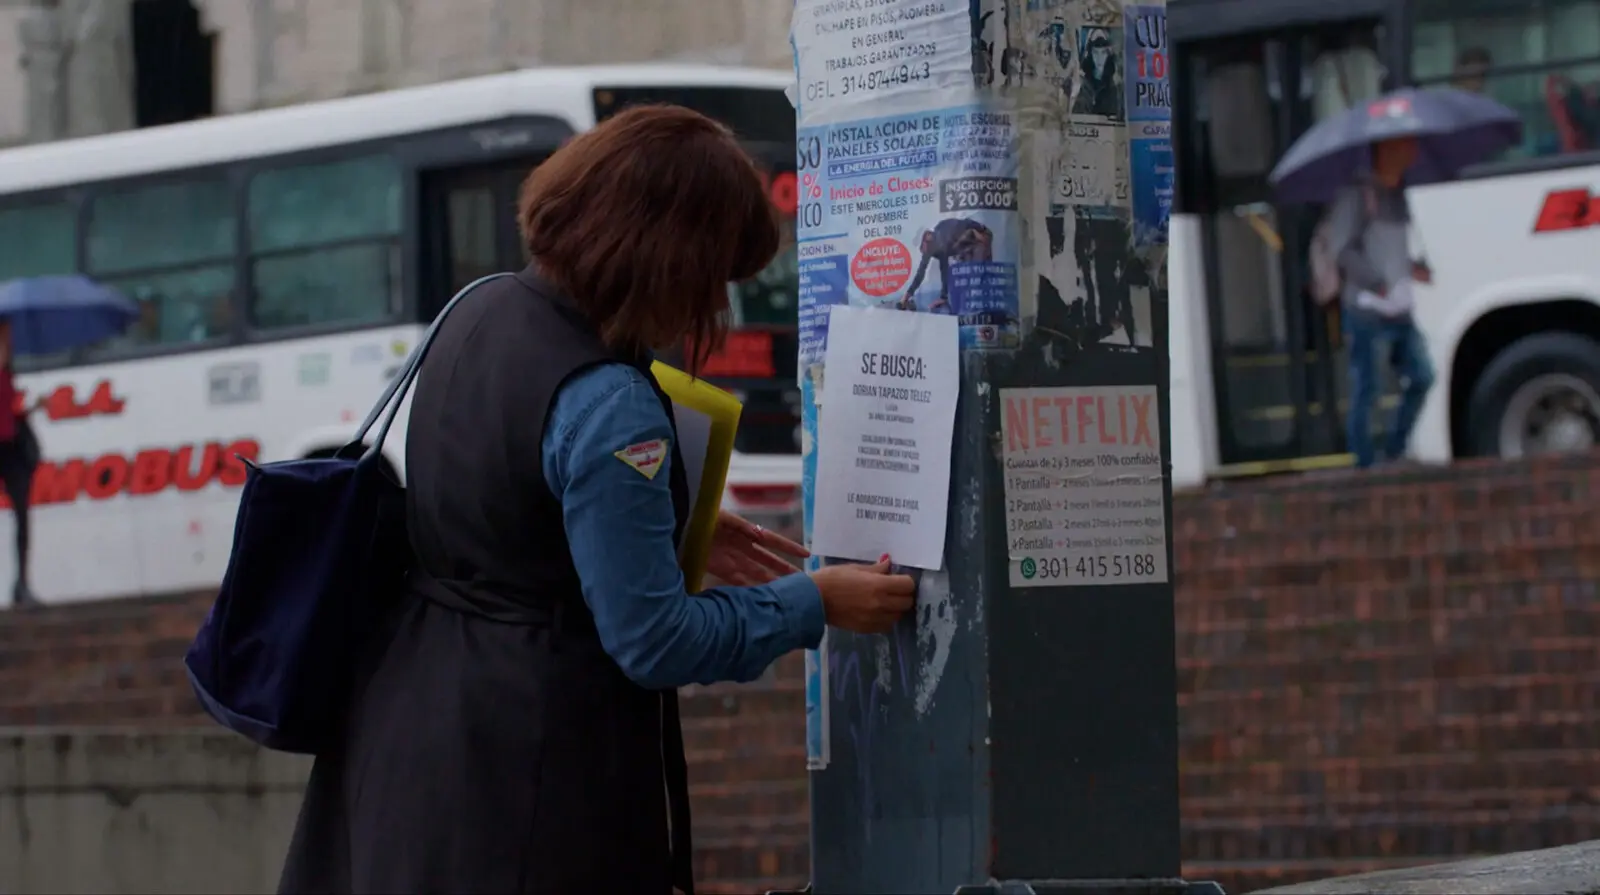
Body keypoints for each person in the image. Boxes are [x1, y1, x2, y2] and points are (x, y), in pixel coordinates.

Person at [277, 105, 917, 895]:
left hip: (405, 734)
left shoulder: (475, 308)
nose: (709, 308)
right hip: (527, 775)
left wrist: (655, 524)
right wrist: (814, 602)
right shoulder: (608, 400)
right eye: (713, 275)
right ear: (667, 257)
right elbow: (656, 640)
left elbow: (496, 505)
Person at [1325, 135, 1436, 468]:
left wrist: (1415, 268)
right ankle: (1365, 462)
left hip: (1399, 309)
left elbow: (1393, 250)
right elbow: (1342, 249)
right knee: (1367, 388)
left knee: (1422, 377)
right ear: (1385, 151)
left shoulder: (1398, 193)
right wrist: (1377, 282)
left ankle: (1394, 449)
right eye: (1405, 146)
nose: (1414, 152)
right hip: (1367, 309)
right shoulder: (1358, 194)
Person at [0, 321, 39, 608]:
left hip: (12, 449)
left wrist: (32, 409)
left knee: (23, 516)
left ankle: (22, 584)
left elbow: (10, 414)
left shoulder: (7, 374)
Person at [894, 217, 993, 311]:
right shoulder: (932, 247)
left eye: (923, 245)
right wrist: (906, 296)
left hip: (979, 234)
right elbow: (922, 272)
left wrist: (981, 230)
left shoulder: (946, 231)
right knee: (962, 267)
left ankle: (986, 302)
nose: (925, 252)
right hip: (967, 244)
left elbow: (967, 223)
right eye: (922, 249)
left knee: (975, 270)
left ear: (928, 236)